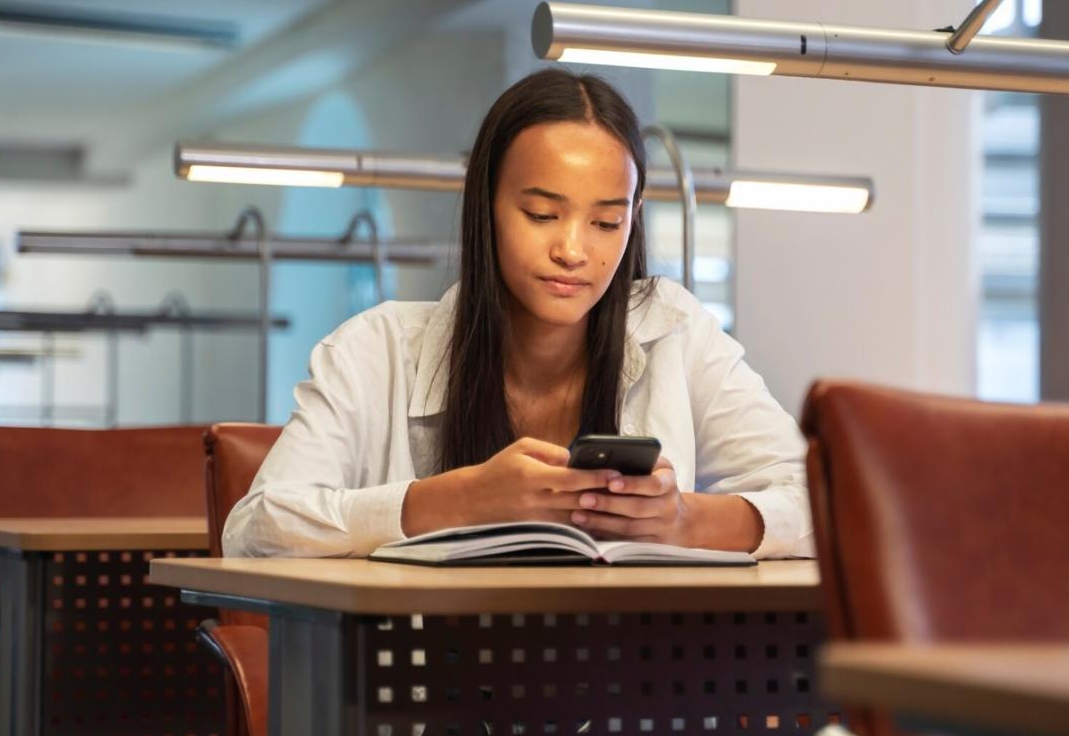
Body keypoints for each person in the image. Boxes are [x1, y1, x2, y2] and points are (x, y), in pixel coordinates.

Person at [223, 68, 814, 560]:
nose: (575, 251)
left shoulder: (672, 329)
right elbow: (253, 531)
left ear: (634, 216)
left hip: (630, 680)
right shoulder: (374, 349)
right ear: (487, 205)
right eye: (540, 214)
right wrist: (454, 502)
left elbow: (824, 505)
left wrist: (683, 520)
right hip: (423, 686)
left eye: (607, 222)